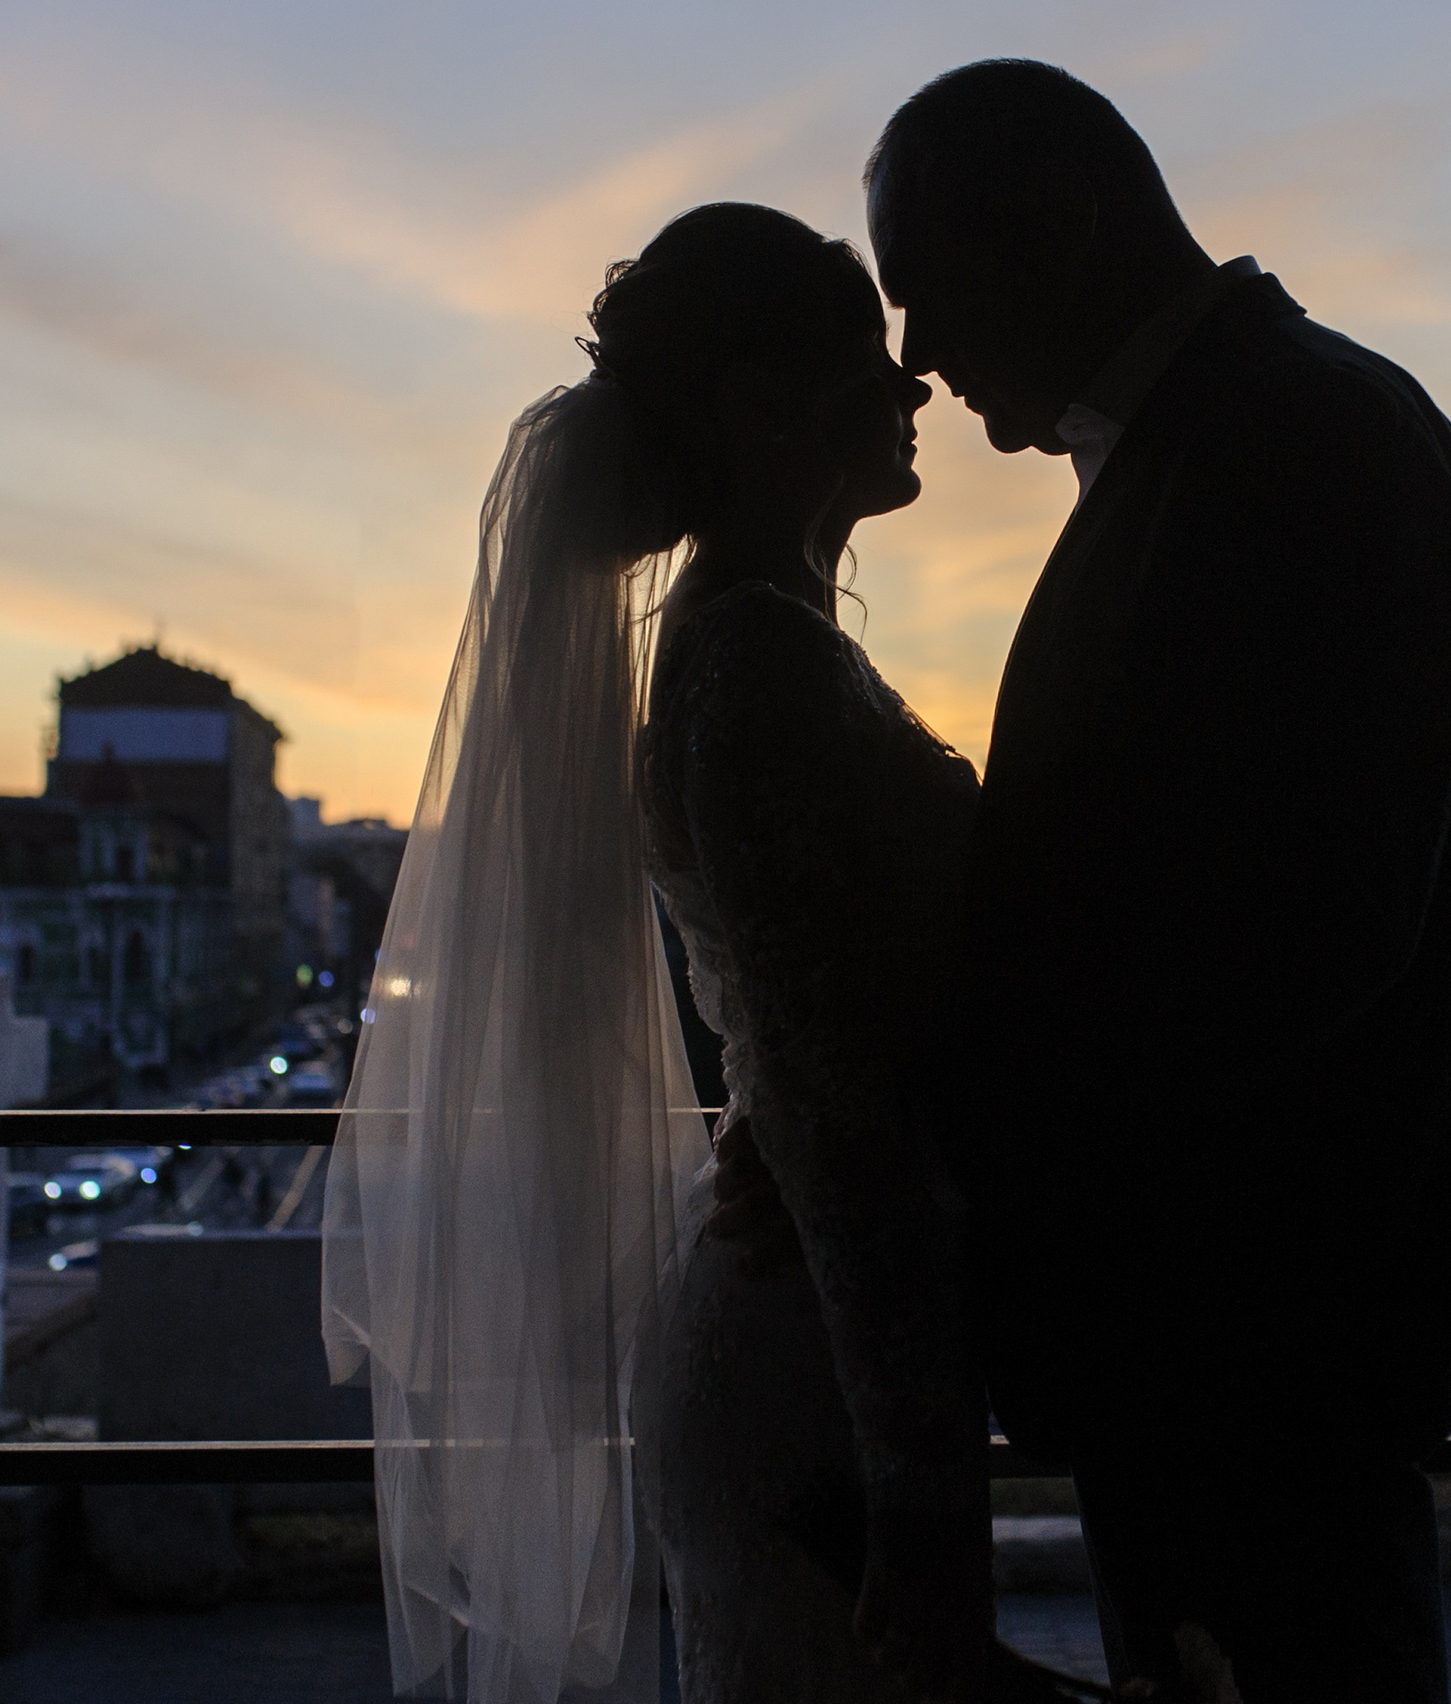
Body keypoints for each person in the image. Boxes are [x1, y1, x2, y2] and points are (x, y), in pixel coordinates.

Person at [844, 60, 1451, 1702]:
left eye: (930, 292)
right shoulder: (1247, 436)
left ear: (1060, 222)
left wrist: (966, 1105)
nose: (916, 356)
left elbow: (1305, 920)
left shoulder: (1302, 444)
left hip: (1262, 1330)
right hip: (1237, 1327)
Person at [324, 203, 1094, 1704]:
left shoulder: (770, 649)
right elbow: (840, 1119)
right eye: (865, 359)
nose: (912, 387)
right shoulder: (754, 673)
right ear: (756, 402)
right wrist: (927, 1506)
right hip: (806, 1378)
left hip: (797, 1334)